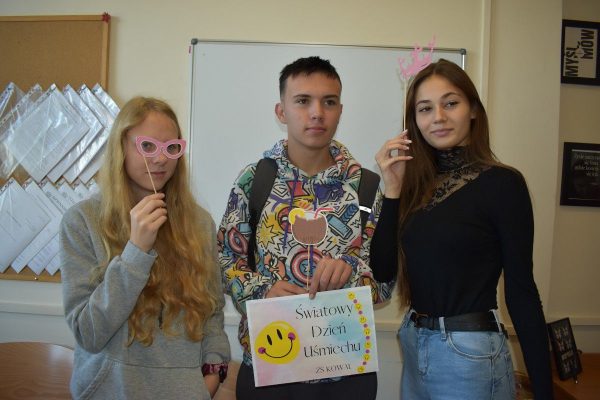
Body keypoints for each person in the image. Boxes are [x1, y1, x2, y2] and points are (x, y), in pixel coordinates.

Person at [373, 59, 553, 399]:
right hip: (414, 340)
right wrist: (393, 188)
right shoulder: (414, 186)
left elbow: (522, 292)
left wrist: (544, 392)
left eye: (450, 103)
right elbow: (382, 271)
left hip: (469, 353)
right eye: (425, 109)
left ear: (472, 110)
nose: (438, 117)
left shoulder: (502, 183)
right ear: (414, 122)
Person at [218, 56, 393, 400]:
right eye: (302, 101)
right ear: (281, 112)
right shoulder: (255, 181)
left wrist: (352, 272)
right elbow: (224, 261)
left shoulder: (367, 187)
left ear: (340, 111)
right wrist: (262, 290)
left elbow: (386, 282)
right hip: (270, 369)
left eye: (329, 102)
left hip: (345, 373)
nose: (317, 113)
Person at [60, 97, 230, 399]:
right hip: (111, 391)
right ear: (120, 149)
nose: (161, 159)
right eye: (147, 146)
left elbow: (213, 310)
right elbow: (88, 333)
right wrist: (136, 251)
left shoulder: (199, 223)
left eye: (171, 148)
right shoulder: (82, 221)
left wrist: (213, 372)